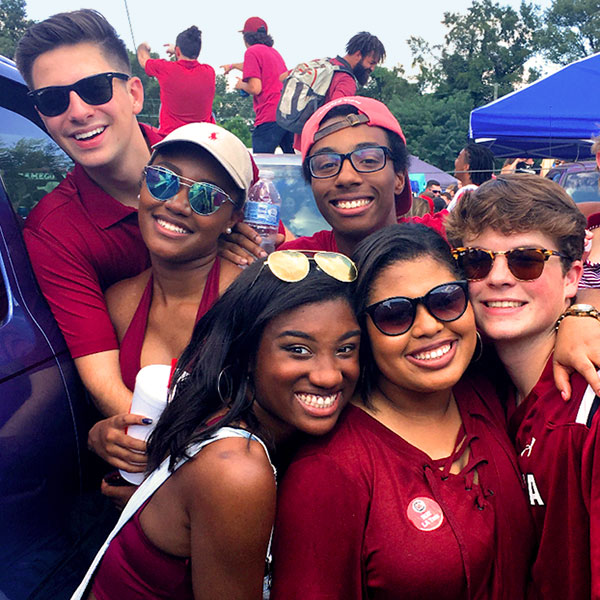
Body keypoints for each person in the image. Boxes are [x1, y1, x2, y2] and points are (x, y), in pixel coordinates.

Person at [71, 250, 361, 600]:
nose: (329, 376)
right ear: (245, 354)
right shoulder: (236, 469)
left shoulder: (220, 405)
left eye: (346, 349)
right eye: (298, 350)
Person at [271, 223, 535, 599]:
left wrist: (584, 316)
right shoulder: (329, 471)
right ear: (363, 332)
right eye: (394, 314)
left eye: (446, 300)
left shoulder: (487, 388)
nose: (429, 326)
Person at [446, 174, 599, 599]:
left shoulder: (588, 412)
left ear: (572, 278)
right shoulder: (472, 387)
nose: (497, 277)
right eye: (476, 260)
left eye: (526, 260)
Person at [15, 9, 163, 417]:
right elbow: (105, 385)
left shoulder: (209, 162)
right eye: (52, 99)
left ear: (134, 94)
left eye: (95, 88)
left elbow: (282, 262)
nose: (78, 111)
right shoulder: (54, 231)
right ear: (42, 115)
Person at [88, 122, 253, 478]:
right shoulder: (120, 302)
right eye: (163, 180)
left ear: (233, 218)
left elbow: (265, 435)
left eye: (206, 196)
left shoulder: (248, 302)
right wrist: (101, 436)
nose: (177, 204)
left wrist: (161, 499)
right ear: (142, 188)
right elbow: (116, 422)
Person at [221, 17, 293, 153]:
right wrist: (233, 66)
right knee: (293, 163)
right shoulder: (274, 53)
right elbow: (259, 68)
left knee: (261, 164)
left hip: (269, 116)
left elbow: (255, 88)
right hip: (286, 116)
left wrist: (241, 85)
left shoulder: (251, 52)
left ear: (246, 37)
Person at [137, 26, 216, 134]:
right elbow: (191, 61)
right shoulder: (209, 72)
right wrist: (177, 51)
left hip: (171, 139)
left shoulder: (165, 69)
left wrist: (143, 46)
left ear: (178, 51)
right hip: (202, 140)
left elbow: (143, 59)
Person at [448, 143, 495, 208]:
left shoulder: (467, 197)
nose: (455, 161)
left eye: (458, 158)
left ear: (466, 166)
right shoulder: (487, 194)